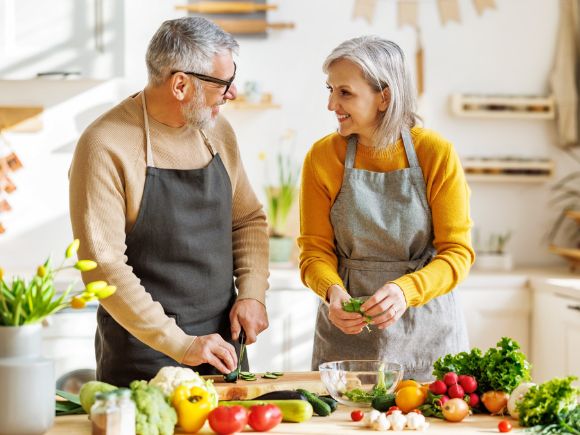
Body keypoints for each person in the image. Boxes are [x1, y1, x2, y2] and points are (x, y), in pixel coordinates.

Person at [69, 17, 269, 386]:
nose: (234, 92)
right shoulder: (105, 144)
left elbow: (248, 220)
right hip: (141, 362)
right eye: (222, 83)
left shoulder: (218, 131)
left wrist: (253, 293)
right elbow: (103, 267)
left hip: (222, 352)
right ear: (180, 85)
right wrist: (181, 344)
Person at [298, 36, 475, 381]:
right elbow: (313, 252)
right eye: (330, 90)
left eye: (345, 92)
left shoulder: (435, 154)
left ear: (385, 97)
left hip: (428, 335)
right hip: (345, 337)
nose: (331, 104)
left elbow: (457, 253)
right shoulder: (322, 157)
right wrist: (332, 292)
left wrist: (404, 291)